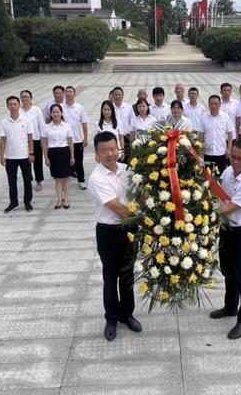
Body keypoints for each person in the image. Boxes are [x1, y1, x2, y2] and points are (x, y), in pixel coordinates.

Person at [88, 131, 142, 341]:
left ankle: (127, 314)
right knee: (110, 277)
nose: (110, 154)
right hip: (109, 232)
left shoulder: (127, 170)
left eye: (113, 149)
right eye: (104, 151)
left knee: (127, 275)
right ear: (97, 154)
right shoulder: (96, 178)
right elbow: (117, 208)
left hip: (129, 230)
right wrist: (144, 220)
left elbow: (139, 193)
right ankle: (111, 319)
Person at [209, 140, 241, 340]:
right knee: (227, 270)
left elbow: (229, 208)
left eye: (240, 159)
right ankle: (230, 307)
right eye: (233, 156)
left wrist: (204, 213)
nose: (236, 162)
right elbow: (217, 193)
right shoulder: (228, 172)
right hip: (226, 230)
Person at [0, 96, 34, 213]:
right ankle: (13, 202)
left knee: (27, 180)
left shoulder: (26, 120)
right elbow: (3, 139)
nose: (13, 106)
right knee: (11, 181)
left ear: (19, 105)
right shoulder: (4, 122)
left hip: (24, 156)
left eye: (15, 104)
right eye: (10, 104)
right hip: (10, 157)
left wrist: (31, 152)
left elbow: (30, 138)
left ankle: (27, 202)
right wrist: (1, 155)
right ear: (7, 106)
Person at [41, 104, 75, 209]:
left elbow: (70, 142)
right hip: (53, 153)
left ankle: (66, 198)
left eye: (57, 112)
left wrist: (72, 156)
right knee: (57, 178)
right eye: (53, 112)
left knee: (66, 177)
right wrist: (46, 158)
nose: (56, 114)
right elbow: (44, 144)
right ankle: (59, 199)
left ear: (61, 113)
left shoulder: (67, 126)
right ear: (51, 114)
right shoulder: (46, 127)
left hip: (65, 152)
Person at [62, 86, 89, 189]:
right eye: (67, 92)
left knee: (78, 161)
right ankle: (65, 181)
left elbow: (84, 124)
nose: (69, 94)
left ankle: (81, 180)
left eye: (71, 92)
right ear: (65, 94)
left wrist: (85, 138)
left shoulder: (79, 108)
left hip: (77, 139)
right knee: (65, 161)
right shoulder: (60, 107)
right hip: (64, 141)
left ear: (74, 94)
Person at [199, 95, 233, 175]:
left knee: (221, 176)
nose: (213, 106)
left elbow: (230, 134)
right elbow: (201, 134)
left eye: (216, 104)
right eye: (211, 104)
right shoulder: (204, 117)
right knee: (208, 176)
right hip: (208, 152)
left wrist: (229, 149)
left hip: (221, 152)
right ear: (208, 104)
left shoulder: (225, 117)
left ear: (220, 104)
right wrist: (200, 150)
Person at [20, 90, 44, 192]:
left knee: (37, 161)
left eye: (27, 97)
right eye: (23, 97)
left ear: (31, 98)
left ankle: (39, 181)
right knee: (26, 162)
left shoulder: (36, 110)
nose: (25, 99)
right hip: (23, 141)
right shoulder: (18, 110)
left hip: (36, 139)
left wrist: (43, 139)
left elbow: (41, 125)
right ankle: (28, 180)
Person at [112, 86, 135, 159]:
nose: (117, 96)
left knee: (126, 158)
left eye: (119, 95)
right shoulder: (110, 108)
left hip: (126, 137)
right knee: (115, 157)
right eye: (115, 95)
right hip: (113, 137)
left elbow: (132, 121)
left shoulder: (128, 107)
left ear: (123, 95)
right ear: (112, 96)